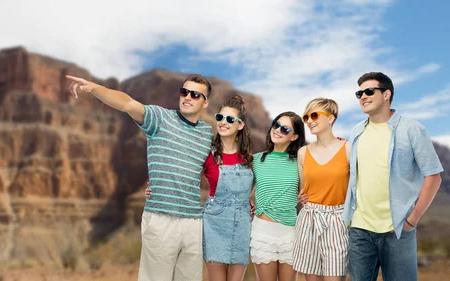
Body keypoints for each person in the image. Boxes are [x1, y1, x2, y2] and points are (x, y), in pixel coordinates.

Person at [66, 73, 214, 281]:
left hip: (193, 223)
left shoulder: (207, 133)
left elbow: (228, 160)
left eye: (195, 95)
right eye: (184, 92)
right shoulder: (160, 118)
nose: (188, 97)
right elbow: (127, 103)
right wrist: (94, 88)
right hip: (161, 219)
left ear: (205, 103)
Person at [342, 72, 444, 281]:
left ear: (386, 94)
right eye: (359, 93)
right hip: (360, 229)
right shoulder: (356, 131)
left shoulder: (412, 129)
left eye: (369, 91)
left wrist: (412, 219)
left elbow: (433, 176)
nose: (363, 96)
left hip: (397, 229)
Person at [148, 95, 254, 281]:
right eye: (220, 118)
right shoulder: (207, 154)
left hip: (243, 224)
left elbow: (265, 183)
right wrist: (155, 187)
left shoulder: (250, 158)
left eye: (230, 119)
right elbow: (181, 173)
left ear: (240, 125)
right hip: (214, 223)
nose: (222, 123)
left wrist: (252, 198)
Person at [293, 98, 350, 281]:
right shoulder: (303, 152)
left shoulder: (348, 148)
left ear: (331, 118)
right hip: (309, 219)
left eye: (315, 115)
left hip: (338, 221)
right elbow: (303, 191)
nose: (309, 120)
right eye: (306, 116)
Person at [250, 111, 306, 281]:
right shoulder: (256, 160)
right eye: (276, 125)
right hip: (262, 231)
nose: (277, 130)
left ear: (295, 136)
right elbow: (248, 192)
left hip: (290, 233)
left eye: (285, 129)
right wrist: (251, 201)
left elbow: (305, 192)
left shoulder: (300, 161)